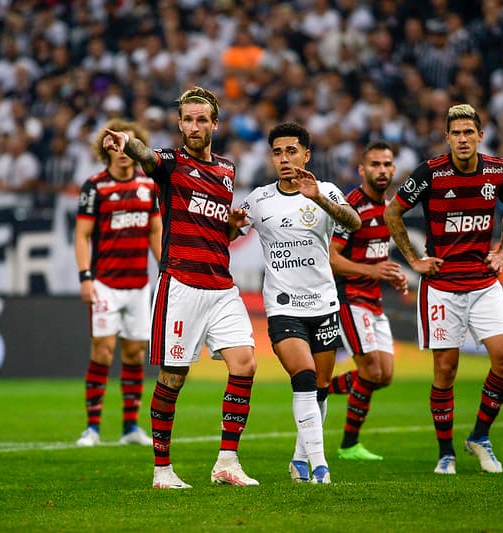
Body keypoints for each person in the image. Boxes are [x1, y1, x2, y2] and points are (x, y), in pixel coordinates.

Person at [102, 86, 258, 489]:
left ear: (214, 124)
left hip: (221, 285)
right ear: (179, 124)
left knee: (246, 365)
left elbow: (216, 224)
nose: (193, 126)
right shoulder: (169, 164)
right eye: (187, 119)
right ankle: (162, 470)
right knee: (173, 377)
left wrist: (232, 223)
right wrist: (126, 142)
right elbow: (146, 155)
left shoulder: (226, 169)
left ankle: (227, 461)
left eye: (201, 119)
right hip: (182, 284)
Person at [383, 104, 503, 475]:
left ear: (480, 134)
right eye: (456, 133)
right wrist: (413, 259)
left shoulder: (497, 170)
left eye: (468, 132)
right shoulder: (430, 173)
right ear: (447, 138)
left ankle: (480, 436)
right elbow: (392, 213)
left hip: (483, 281)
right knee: (446, 371)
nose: (462, 139)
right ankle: (446, 452)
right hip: (442, 286)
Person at [235, 122, 362, 484]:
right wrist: (229, 225)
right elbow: (230, 231)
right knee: (303, 376)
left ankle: (299, 459)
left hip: (324, 305)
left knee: (320, 387)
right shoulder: (259, 200)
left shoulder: (327, 191)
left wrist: (318, 198)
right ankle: (320, 467)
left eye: (292, 151)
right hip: (283, 306)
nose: (284, 158)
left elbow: (353, 223)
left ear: (306, 154)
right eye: (277, 152)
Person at [74, 118, 162, 447]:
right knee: (103, 350)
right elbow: (81, 236)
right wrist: (85, 277)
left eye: (129, 143)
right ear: (106, 148)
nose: (122, 150)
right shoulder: (95, 186)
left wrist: (164, 267)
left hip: (138, 284)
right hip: (106, 283)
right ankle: (92, 428)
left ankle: (129, 428)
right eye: (116, 144)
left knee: (135, 353)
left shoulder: (149, 186)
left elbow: (155, 230)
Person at [327, 140, 408, 461]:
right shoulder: (351, 208)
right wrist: (372, 271)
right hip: (350, 298)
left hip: (373, 301)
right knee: (371, 373)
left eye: (387, 164)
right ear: (362, 170)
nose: (382, 170)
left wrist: (392, 275)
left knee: (384, 376)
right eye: (375, 164)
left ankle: (320, 388)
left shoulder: (389, 208)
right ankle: (347, 442)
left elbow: (377, 258)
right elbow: (331, 258)